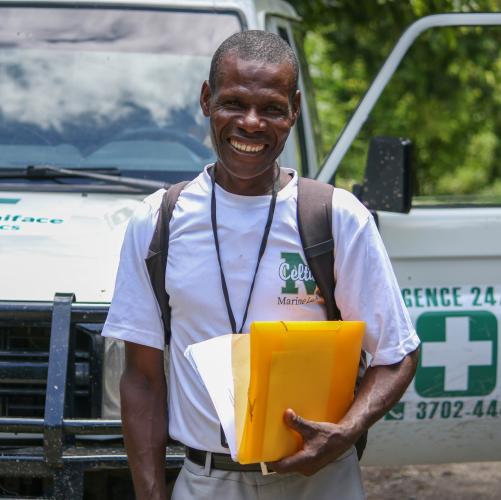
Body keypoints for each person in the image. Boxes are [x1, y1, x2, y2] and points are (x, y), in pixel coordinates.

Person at [102, 30, 420, 500]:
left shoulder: (335, 216)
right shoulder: (158, 220)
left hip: (318, 481)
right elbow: (143, 379)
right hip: (206, 480)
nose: (251, 124)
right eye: (233, 103)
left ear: (293, 110)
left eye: (271, 108)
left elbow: (397, 355)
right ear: (207, 100)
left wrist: (346, 432)